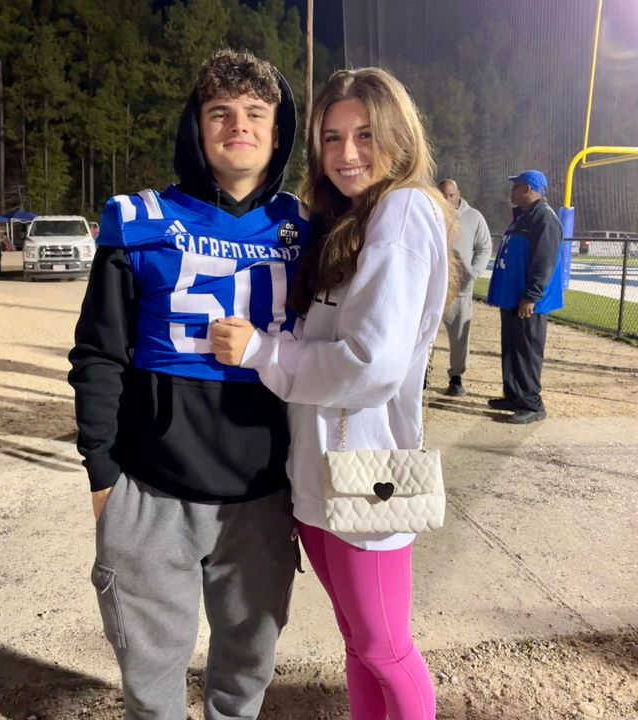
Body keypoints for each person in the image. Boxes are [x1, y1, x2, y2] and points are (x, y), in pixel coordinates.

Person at [68, 49, 310, 720]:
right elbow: (99, 354)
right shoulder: (139, 219)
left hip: (263, 493)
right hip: (153, 490)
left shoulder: (307, 228)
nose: (239, 125)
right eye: (220, 112)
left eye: (256, 113)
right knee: (151, 685)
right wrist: (102, 477)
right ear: (196, 127)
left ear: (278, 132)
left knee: (247, 674)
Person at [211, 67, 453, 720]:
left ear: (399, 135)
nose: (347, 153)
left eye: (365, 134)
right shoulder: (352, 218)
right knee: (358, 644)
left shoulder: (402, 210)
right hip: (323, 476)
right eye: (332, 138)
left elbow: (371, 365)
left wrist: (261, 352)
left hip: (368, 478)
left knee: (385, 648)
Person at [486, 170, 563, 424]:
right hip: (512, 297)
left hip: (528, 301)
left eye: (516, 187)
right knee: (511, 349)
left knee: (527, 351)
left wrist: (531, 296)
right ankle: (514, 396)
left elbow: (544, 262)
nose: (512, 191)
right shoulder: (522, 216)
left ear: (528, 189)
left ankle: (532, 404)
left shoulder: (544, 218)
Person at [438, 179, 492, 396]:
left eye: (451, 195)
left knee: (460, 336)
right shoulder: (430, 213)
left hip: (460, 288)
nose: (447, 199)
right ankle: (421, 373)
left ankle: (456, 377)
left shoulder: (473, 217)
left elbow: (484, 247)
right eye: (443, 195)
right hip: (432, 287)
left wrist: (474, 272)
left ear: (458, 194)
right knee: (423, 333)